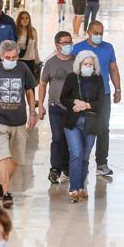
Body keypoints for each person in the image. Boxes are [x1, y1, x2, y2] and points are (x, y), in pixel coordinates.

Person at [0, 41, 37, 208]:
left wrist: (32, 112)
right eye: (8, 57)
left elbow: (29, 92)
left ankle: (2, 184)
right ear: (1, 56)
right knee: (4, 156)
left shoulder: (23, 69)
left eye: (14, 57)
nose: (11, 60)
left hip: (19, 121)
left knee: (17, 159)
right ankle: (6, 193)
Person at [72, 21, 121, 176]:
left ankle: (101, 163)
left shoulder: (108, 48)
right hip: (82, 94)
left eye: (101, 33)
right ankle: (78, 161)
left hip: (103, 95)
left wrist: (117, 89)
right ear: (88, 32)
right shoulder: (77, 49)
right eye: (95, 32)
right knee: (80, 127)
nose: (98, 35)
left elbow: (113, 68)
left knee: (103, 128)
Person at [60, 51, 105, 202]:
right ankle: (73, 188)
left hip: (91, 123)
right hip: (73, 122)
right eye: (85, 64)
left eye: (90, 65)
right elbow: (63, 98)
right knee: (76, 153)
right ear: (79, 65)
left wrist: (86, 105)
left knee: (85, 156)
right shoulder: (72, 77)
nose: (88, 67)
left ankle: (81, 186)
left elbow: (101, 103)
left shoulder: (98, 78)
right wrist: (74, 103)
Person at [39, 32, 75, 184]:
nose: (67, 45)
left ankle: (67, 167)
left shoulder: (77, 61)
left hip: (73, 108)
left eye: (69, 42)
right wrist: (40, 105)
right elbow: (42, 84)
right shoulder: (50, 63)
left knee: (69, 139)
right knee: (58, 137)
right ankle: (55, 169)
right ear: (57, 45)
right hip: (55, 106)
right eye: (64, 42)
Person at [15, 11, 41, 77]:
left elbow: (35, 47)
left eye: (27, 18)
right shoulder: (15, 31)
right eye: (22, 18)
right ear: (19, 20)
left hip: (31, 61)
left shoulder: (33, 31)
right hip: (19, 61)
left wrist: (38, 61)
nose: (25, 20)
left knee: (30, 84)